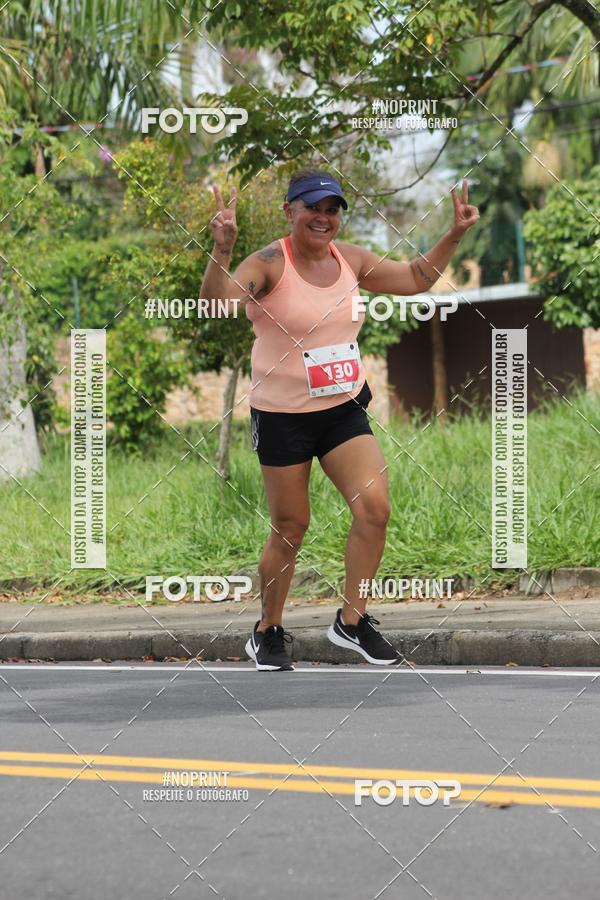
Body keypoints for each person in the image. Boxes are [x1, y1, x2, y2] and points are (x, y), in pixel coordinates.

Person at [200, 168, 479, 671]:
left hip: (342, 408)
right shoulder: (268, 263)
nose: (323, 218)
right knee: (291, 526)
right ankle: (267, 630)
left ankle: (351, 622)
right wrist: (221, 249)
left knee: (374, 509)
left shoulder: (349, 260)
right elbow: (217, 305)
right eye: (312, 208)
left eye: (332, 210)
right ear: (290, 212)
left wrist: (454, 234)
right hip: (282, 415)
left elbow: (416, 279)